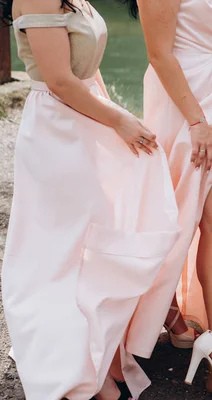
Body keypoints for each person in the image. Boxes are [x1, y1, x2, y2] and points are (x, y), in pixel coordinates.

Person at [1, 0, 180, 399]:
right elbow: (60, 81)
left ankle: (94, 357)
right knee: (63, 253)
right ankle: (73, 366)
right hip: (57, 133)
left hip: (84, 124)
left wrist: (117, 117)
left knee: (93, 244)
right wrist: (119, 121)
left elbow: (87, 72)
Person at [119, 0, 212, 398]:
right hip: (182, 101)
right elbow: (159, 52)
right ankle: (158, 312)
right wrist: (197, 121)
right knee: (171, 219)